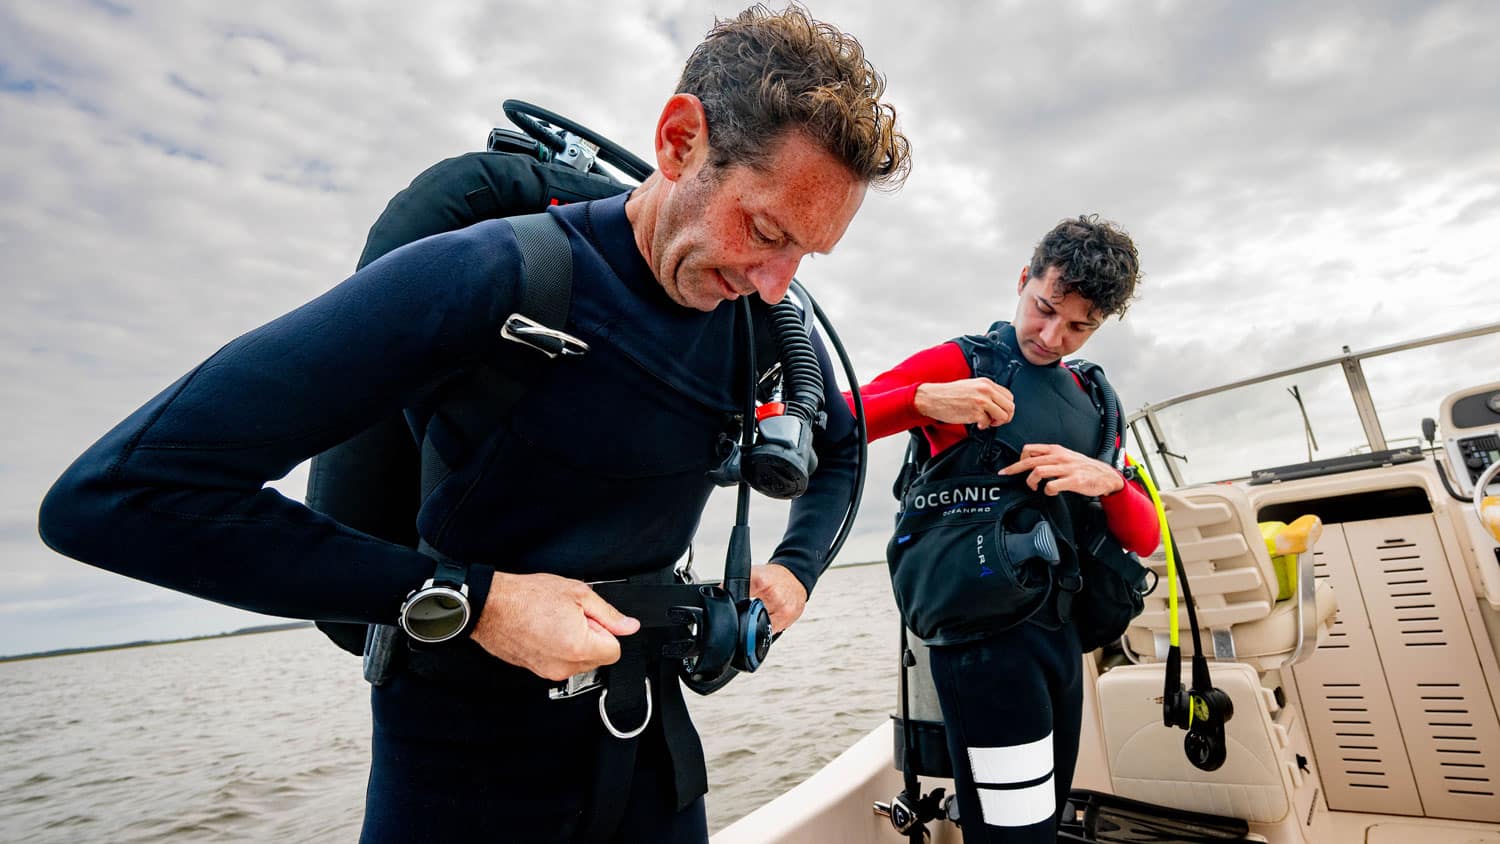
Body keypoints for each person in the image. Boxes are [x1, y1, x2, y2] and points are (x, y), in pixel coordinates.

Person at [38, 6, 911, 842]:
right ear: (681, 142)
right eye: (764, 230)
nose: (774, 281)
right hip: (458, 777)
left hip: (649, 757)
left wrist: (794, 573)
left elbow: (837, 444)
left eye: (804, 254)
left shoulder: (757, 325)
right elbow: (118, 495)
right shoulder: (500, 276)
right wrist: (478, 601)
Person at [850, 216, 1159, 843]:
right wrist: (922, 401)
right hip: (985, 645)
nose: (1052, 336)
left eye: (1079, 327)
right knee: (1012, 834)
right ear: (1023, 279)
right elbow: (830, 419)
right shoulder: (963, 363)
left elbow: (1146, 537)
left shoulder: (1095, 399)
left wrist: (1108, 480)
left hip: (1062, 643)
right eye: (1043, 308)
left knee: (1039, 825)